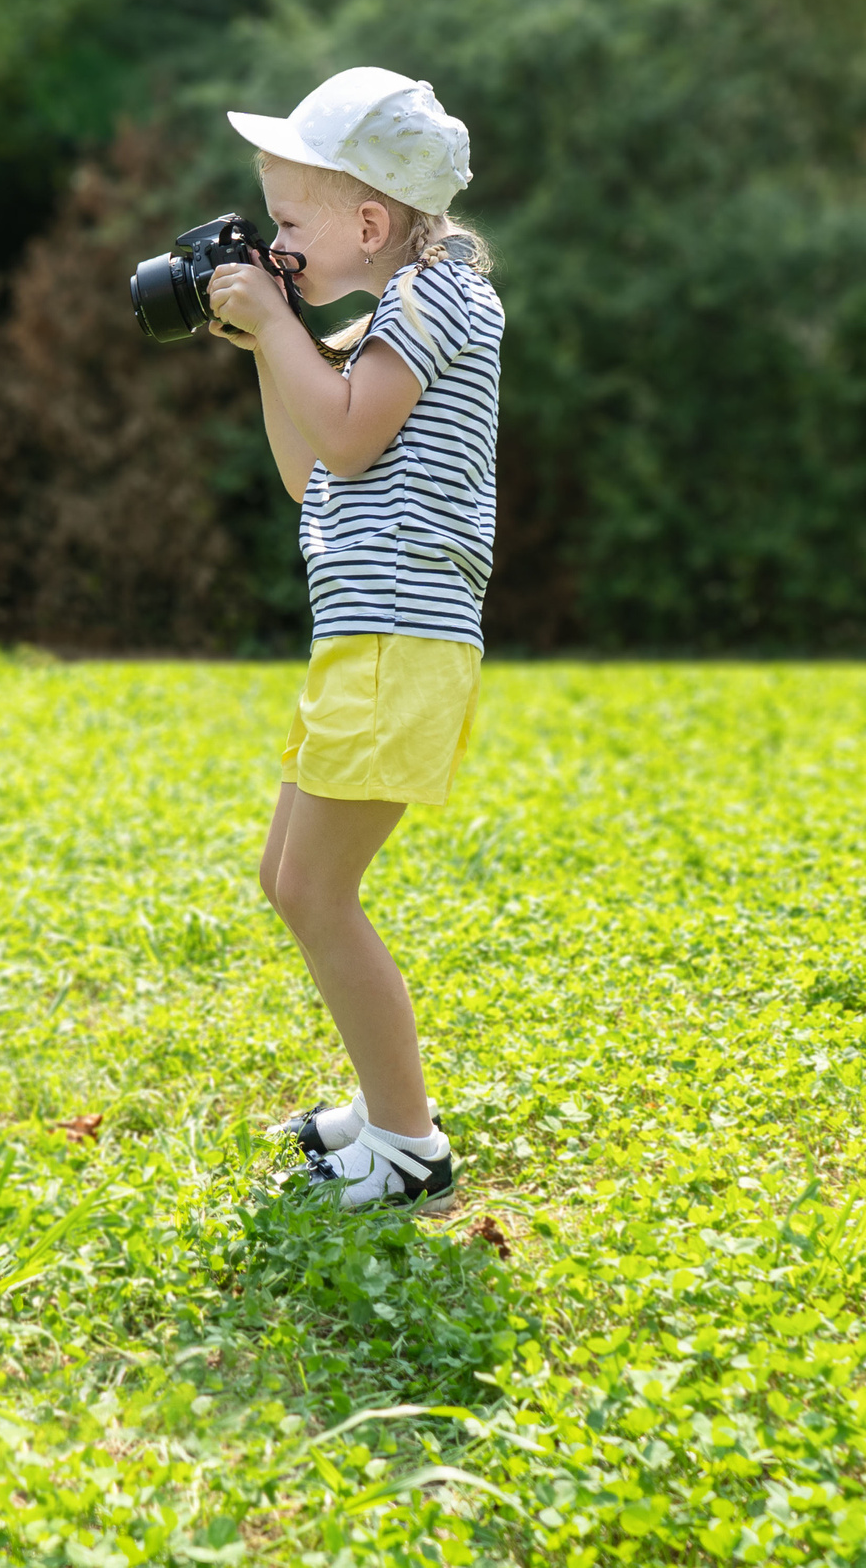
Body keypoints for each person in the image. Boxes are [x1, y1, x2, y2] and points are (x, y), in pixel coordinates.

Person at [200, 66, 499, 1214]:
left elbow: (351, 439)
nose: (274, 244)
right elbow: (309, 466)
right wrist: (269, 345)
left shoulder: (437, 303)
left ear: (367, 222)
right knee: (290, 878)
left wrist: (282, 329)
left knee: (319, 893)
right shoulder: (397, 313)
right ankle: (384, 1104)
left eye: (289, 221)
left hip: (397, 644)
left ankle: (407, 1141)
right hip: (364, 643)